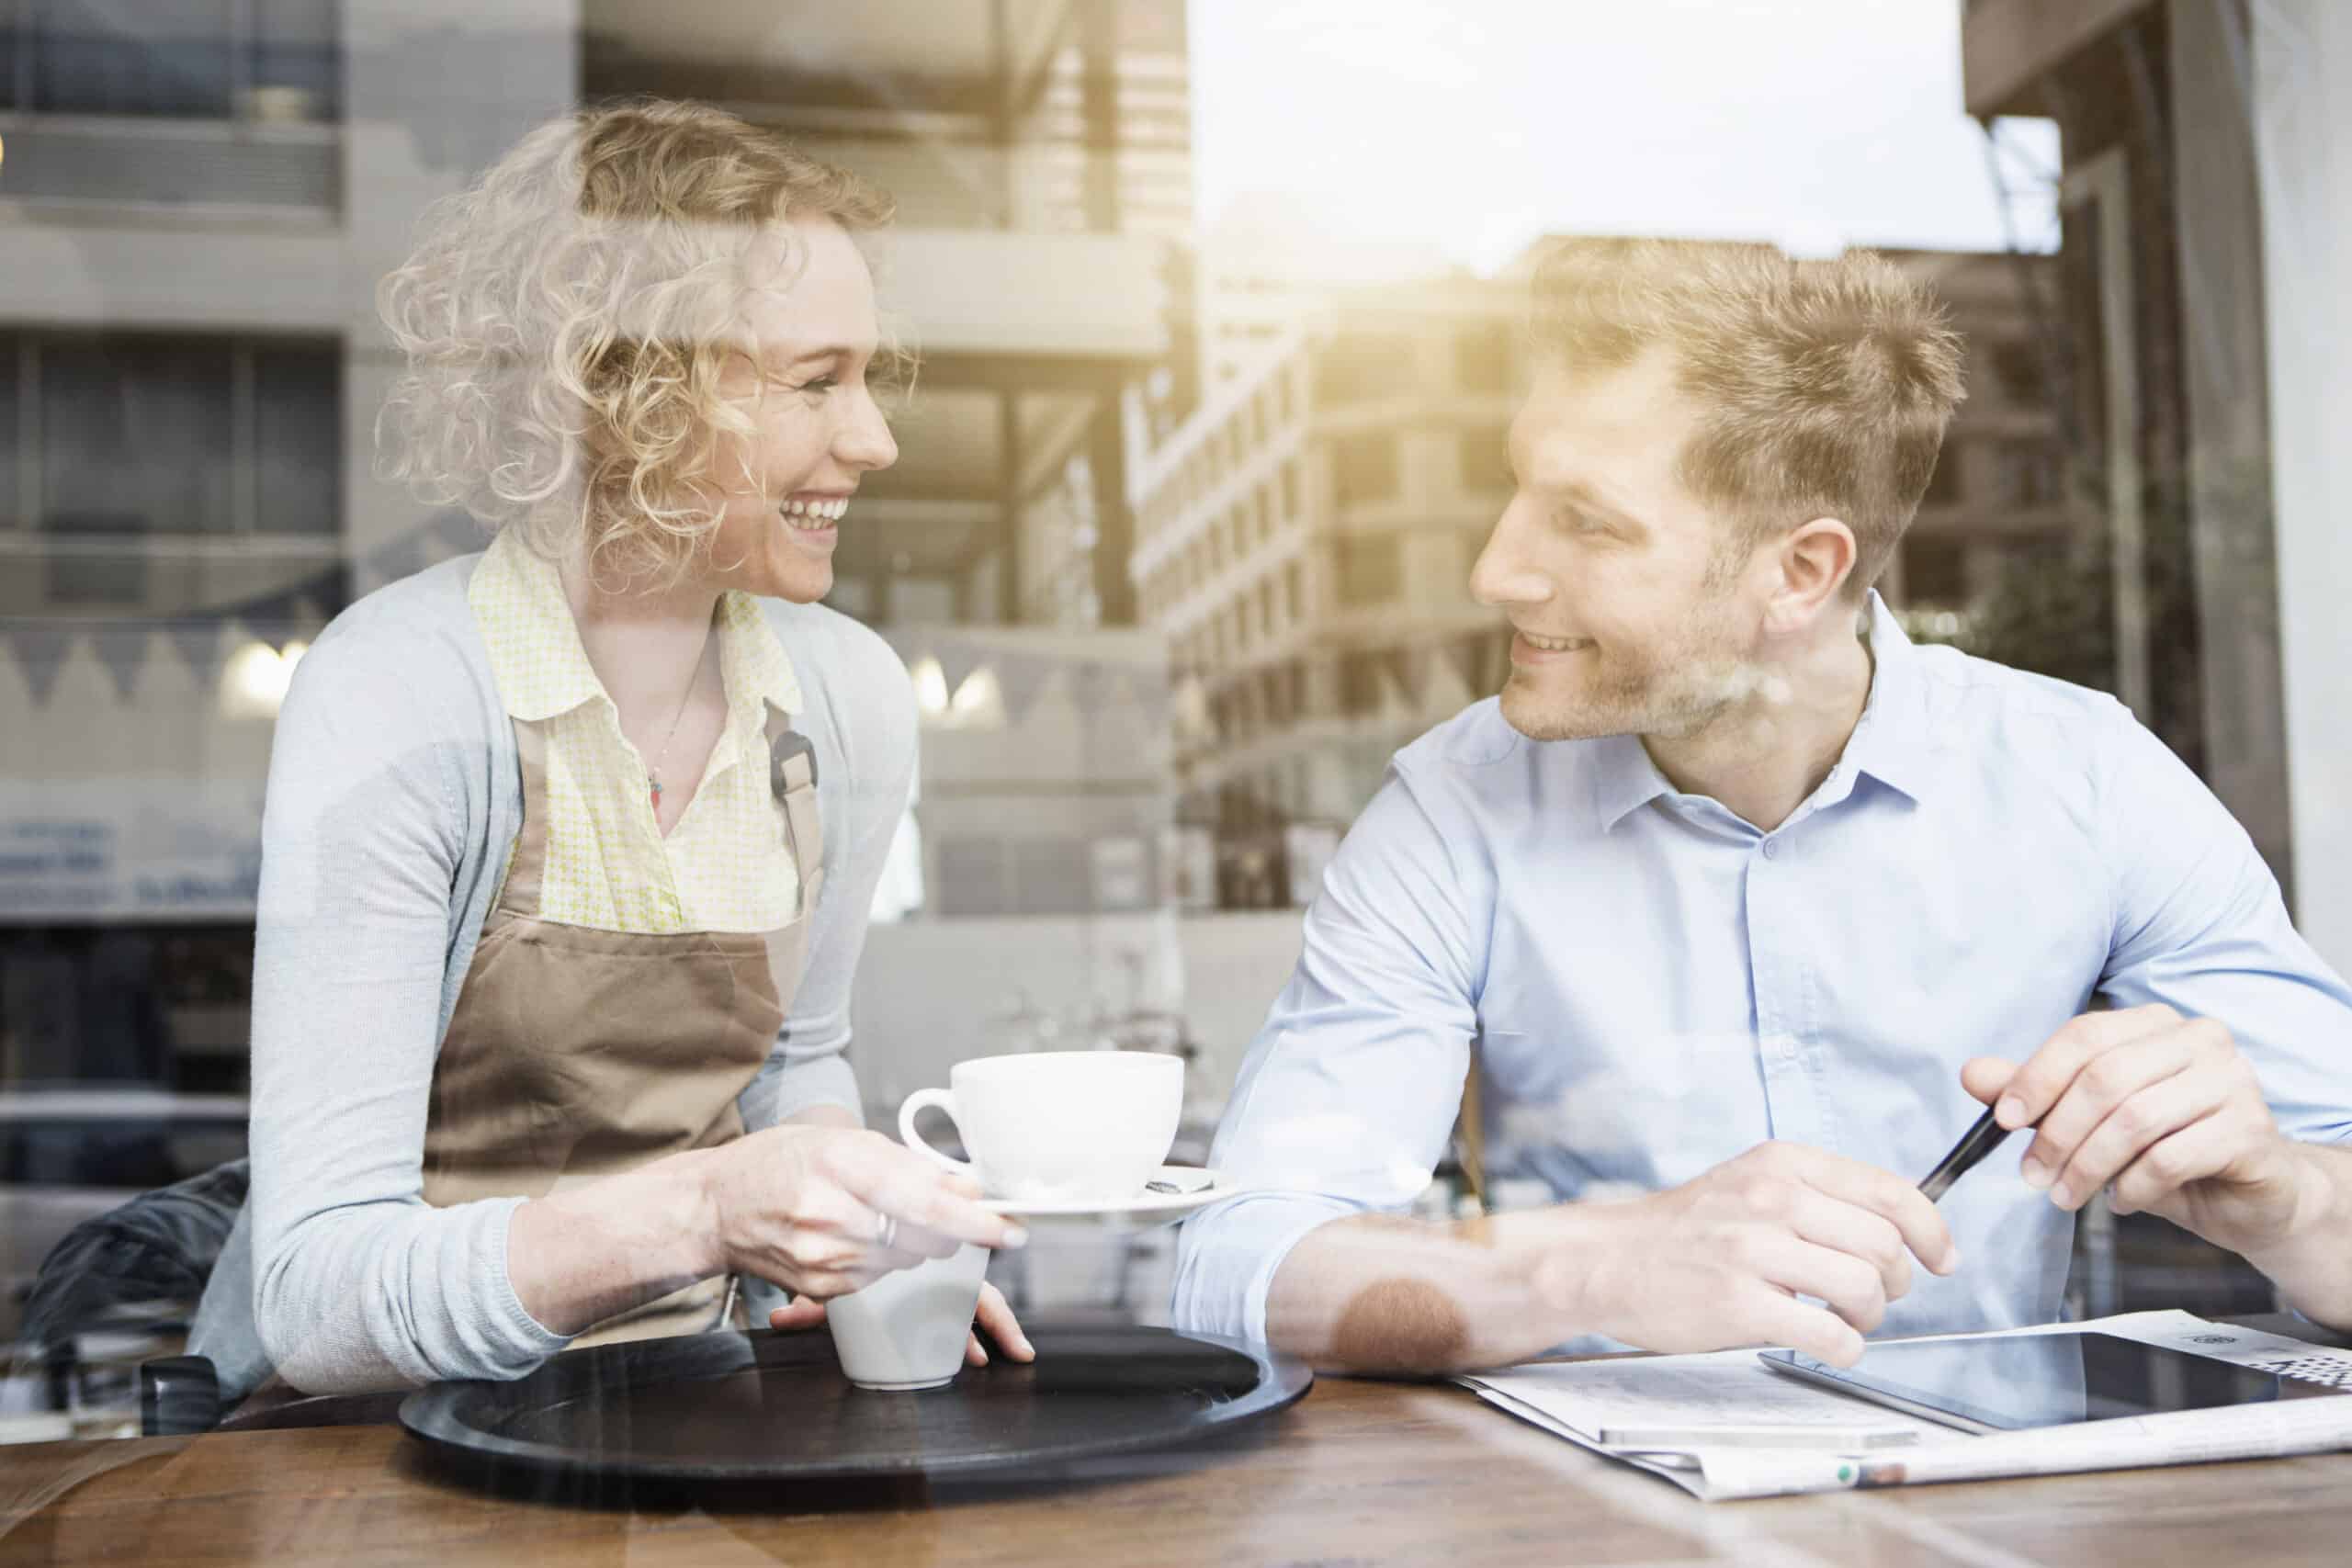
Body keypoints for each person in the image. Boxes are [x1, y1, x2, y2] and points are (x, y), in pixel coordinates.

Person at [1170, 239, 2352, 1375]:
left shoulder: (2087, 777)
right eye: (1517, 488)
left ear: (1800, 572)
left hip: (2002, 1518)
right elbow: (1236, 1265)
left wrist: (2288, 1197)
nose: (1497, 569)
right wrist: (1586, 1270)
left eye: (1586, 521)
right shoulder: (1452, 809)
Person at [187, 101, 1031, 1397]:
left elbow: (798, 1058)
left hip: (681, 1411)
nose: (876, 440)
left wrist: (853, 1239)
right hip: (360, 1450)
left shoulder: (845, 698)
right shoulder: (403, 690)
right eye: (818, 382)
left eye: (869, 378)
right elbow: (313, 1296)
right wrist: (706, 1211)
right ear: (633, 390)